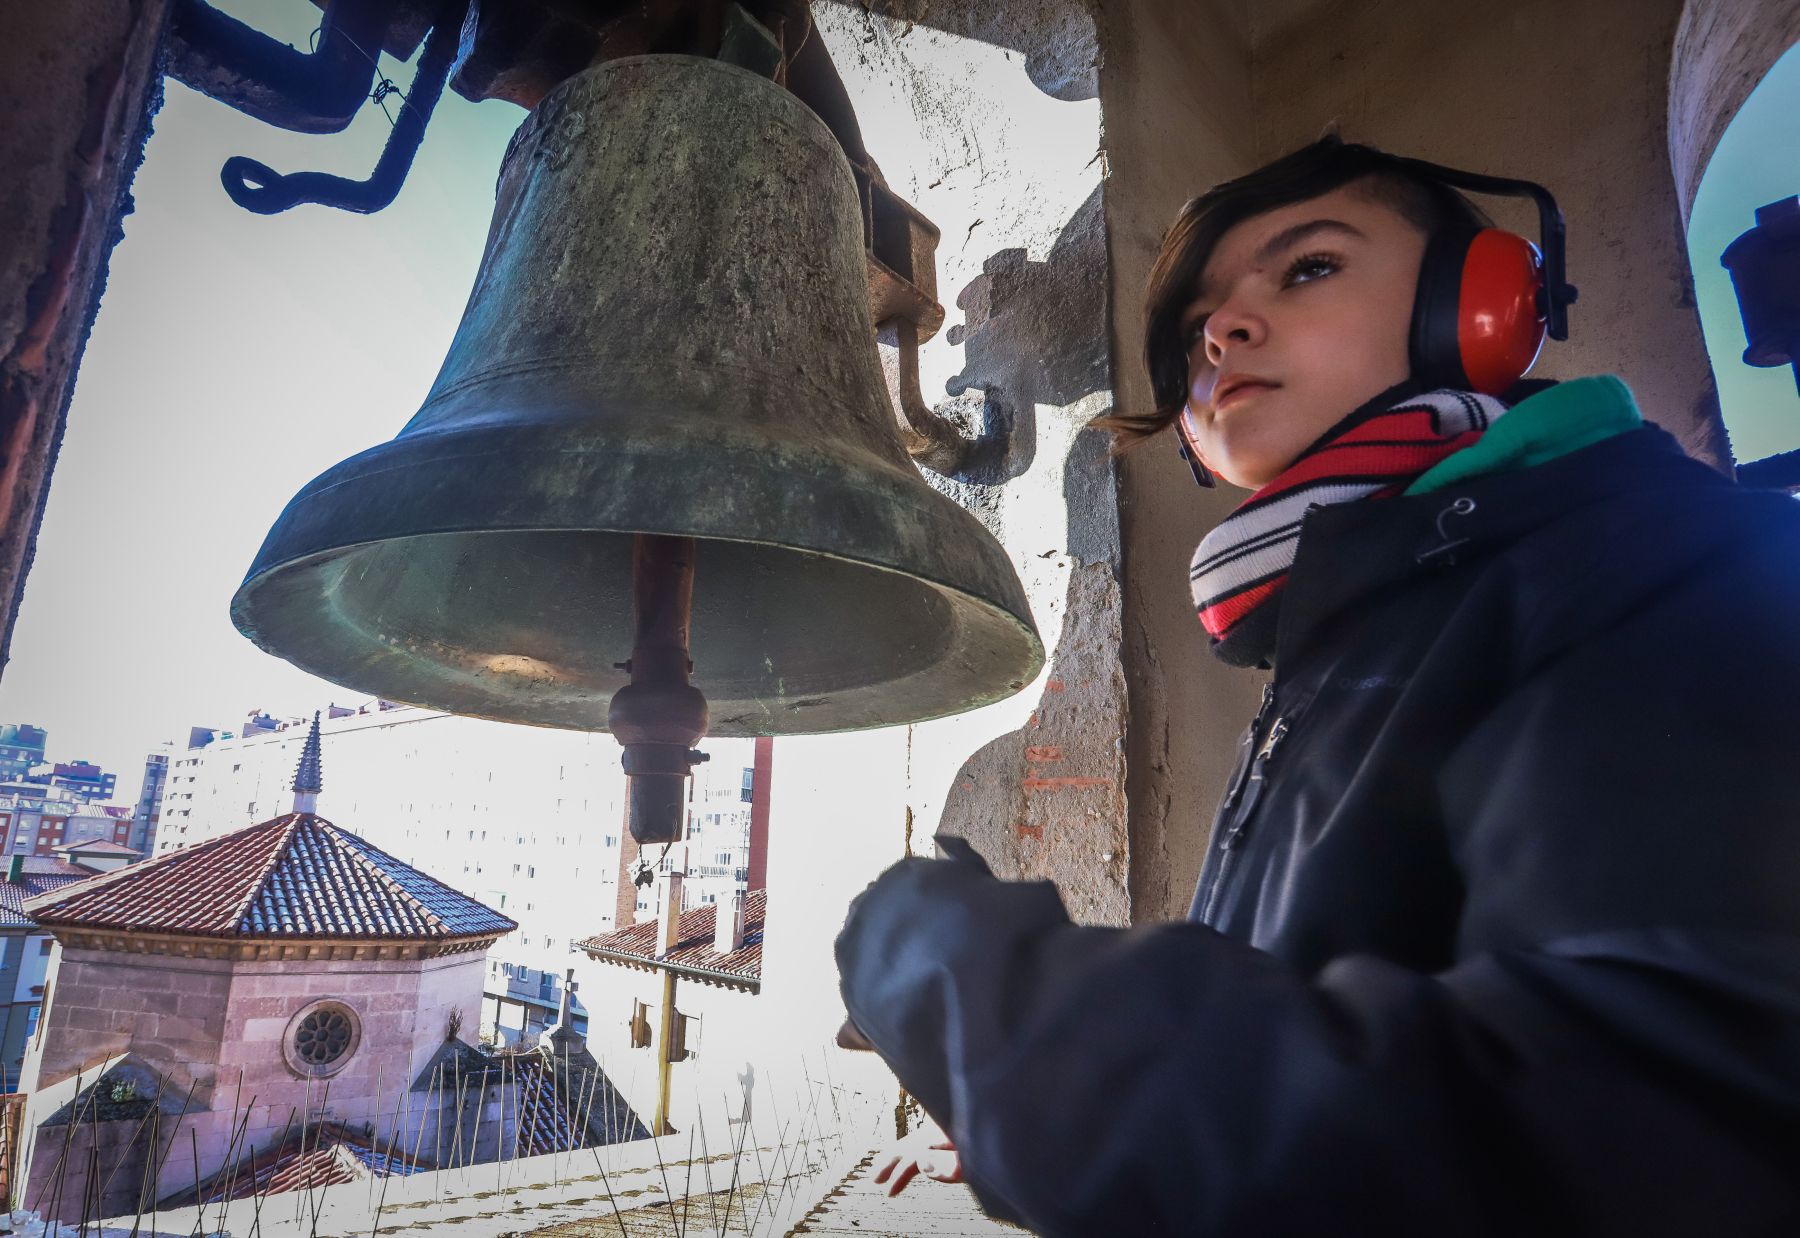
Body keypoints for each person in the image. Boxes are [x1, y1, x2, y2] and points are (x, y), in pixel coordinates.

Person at [833, 136, 1800, 1235]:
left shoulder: (1661, 563)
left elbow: (1630, 1134)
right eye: (1197, 319)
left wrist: (973, 988)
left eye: (1308, 268)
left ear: (1481, 303)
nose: (1222, 328)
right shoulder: (1355, 631)